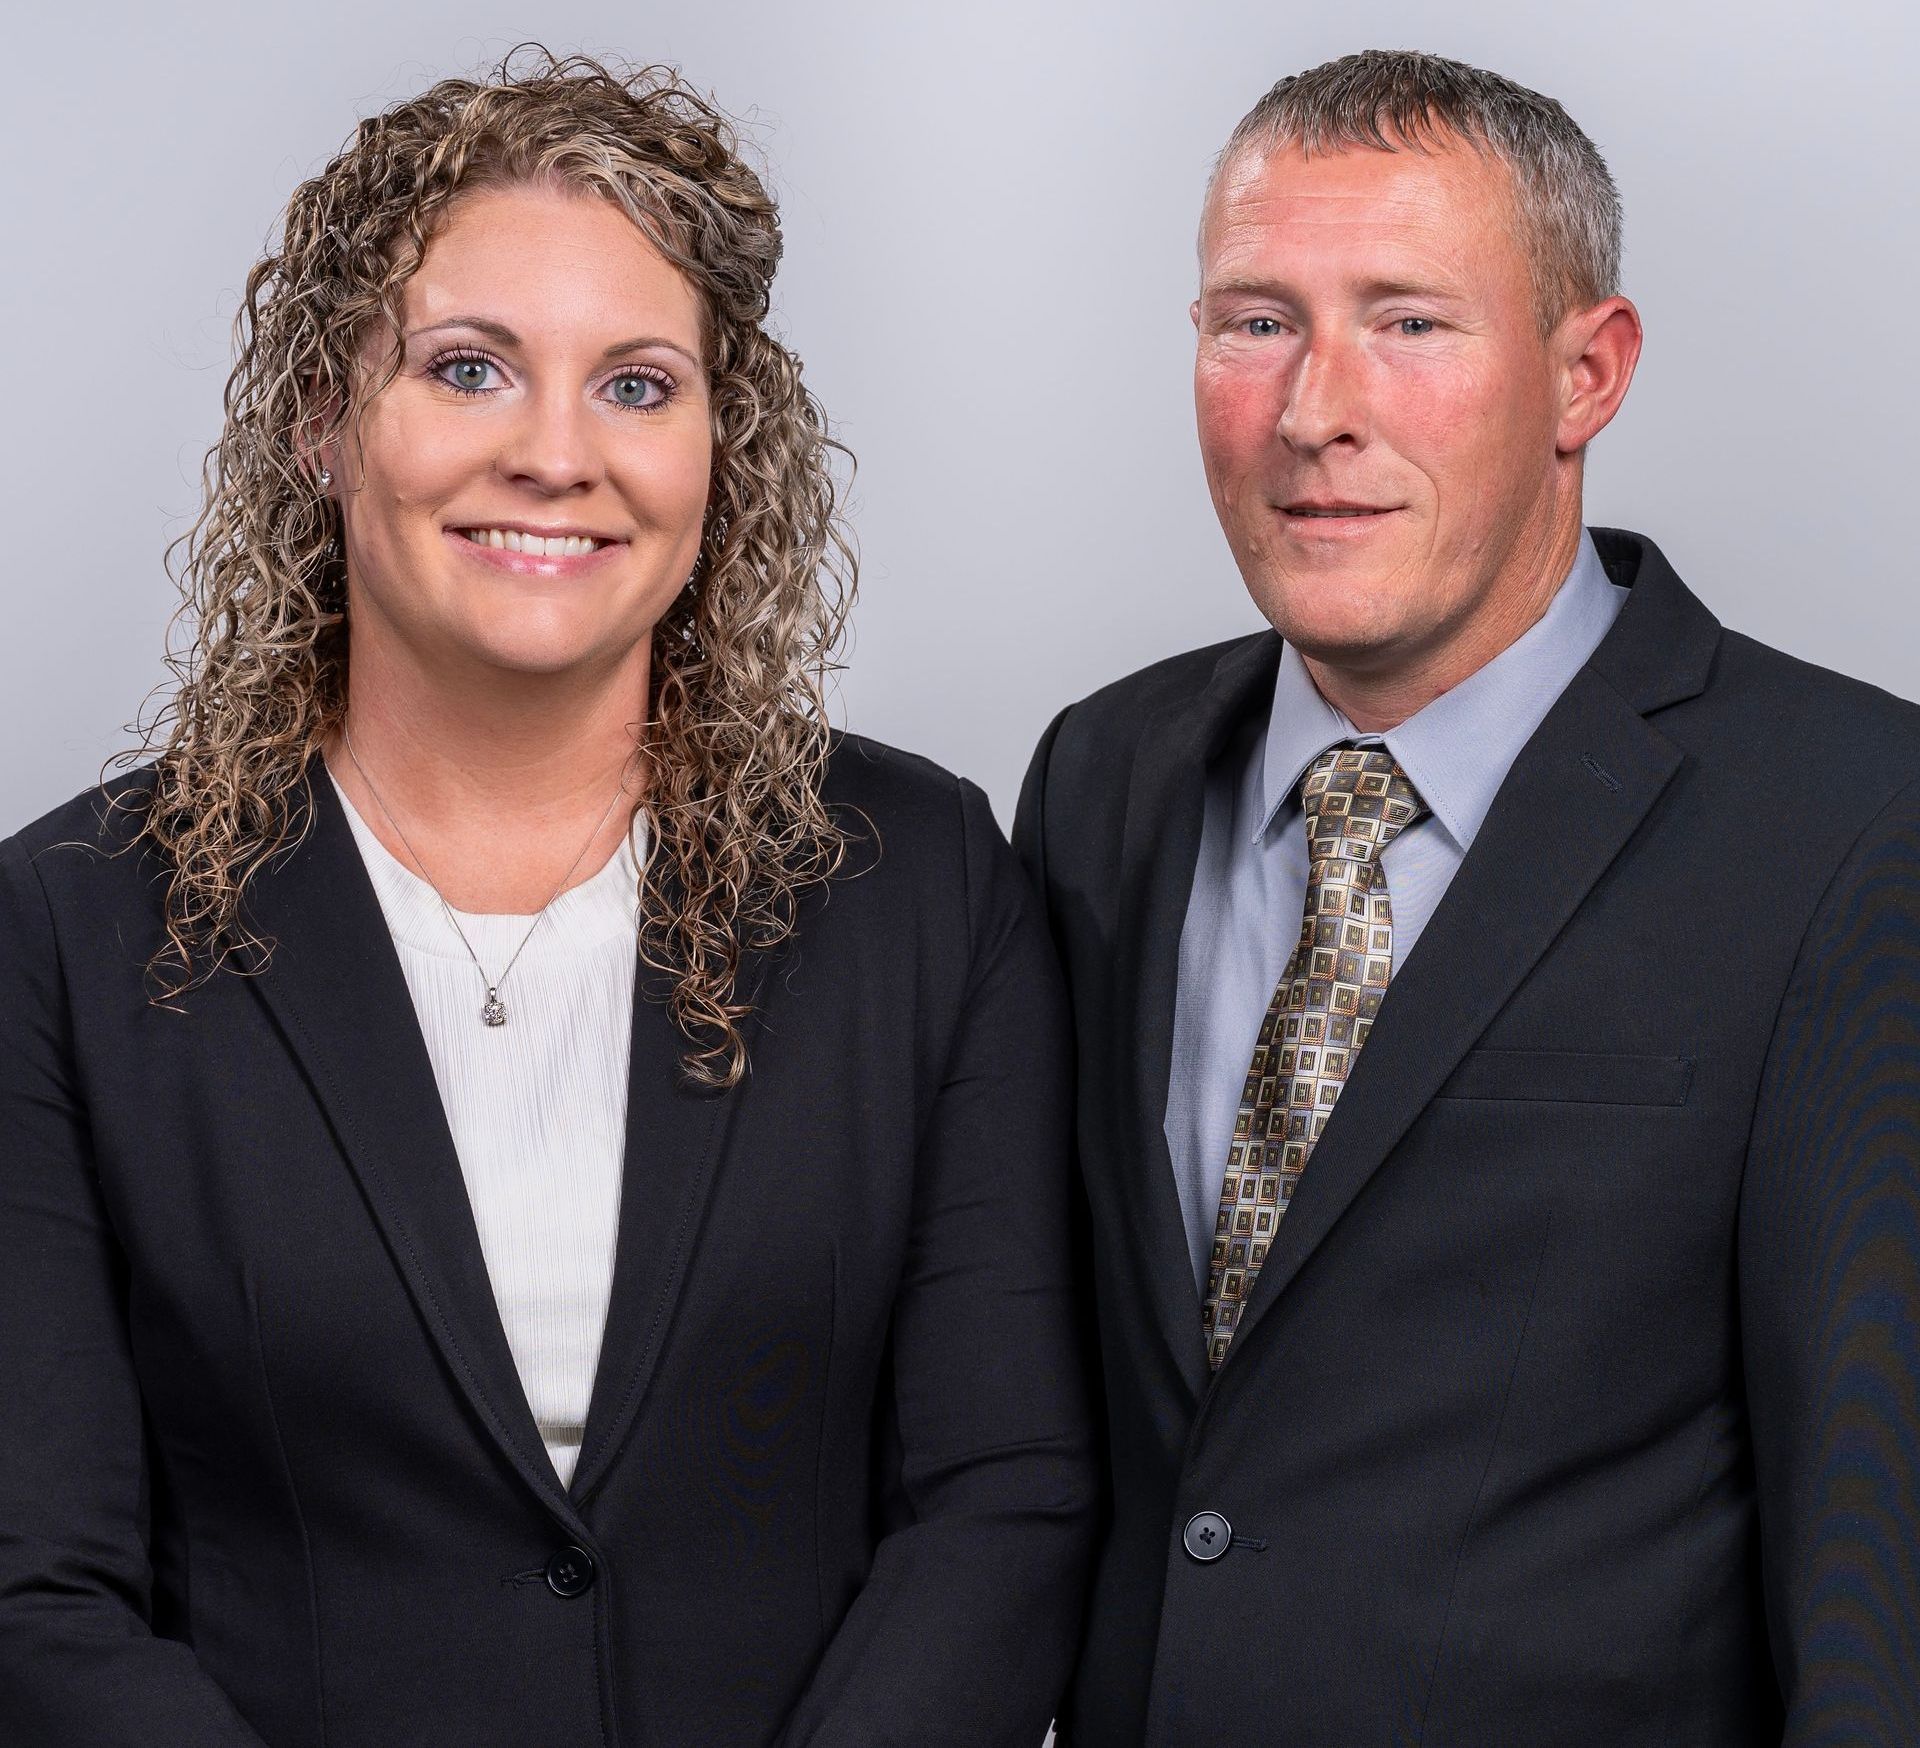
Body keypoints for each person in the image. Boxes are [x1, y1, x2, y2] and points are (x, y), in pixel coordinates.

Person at [0, 50, 1095, 1746]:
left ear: (727, 449)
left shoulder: (921, 880)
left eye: (640, 386)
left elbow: (1004, 1497)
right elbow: (35, 1590)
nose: (558, 454)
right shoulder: (65, 932)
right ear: (318, 420)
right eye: (467, 368)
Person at [1016, 47, 1920, 1746]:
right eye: (1253, 320)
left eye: (1410, 323)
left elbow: (1876, 1562)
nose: (1312, 410)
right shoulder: (1102, 781)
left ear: (1589, 373)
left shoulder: (1855, 823)